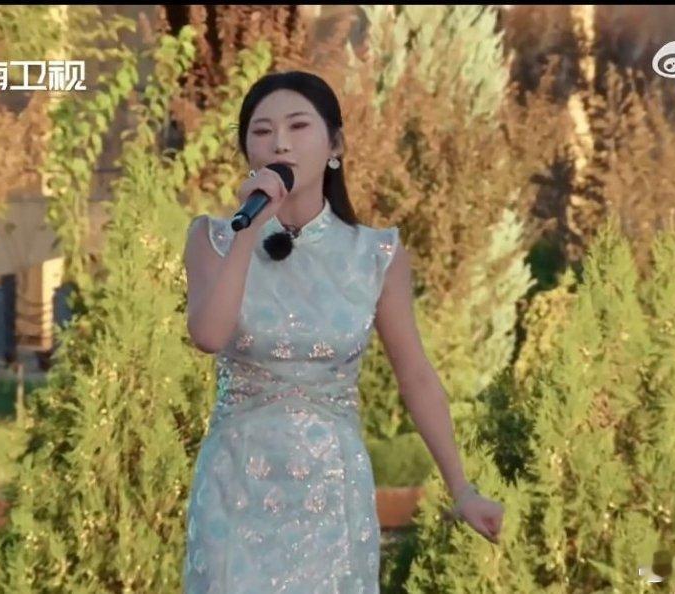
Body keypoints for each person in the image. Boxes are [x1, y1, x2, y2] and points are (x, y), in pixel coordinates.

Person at [181, 70, 504, 593]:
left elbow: (416, 375)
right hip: (234, 489)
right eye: (261, 131)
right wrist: (248, 230)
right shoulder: (212, 239)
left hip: (331, 493)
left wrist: (462, 489)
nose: (279, 142)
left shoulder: (374, 254)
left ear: (335, 145)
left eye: (298, 126)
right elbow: (209, 335)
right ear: (247, 151)